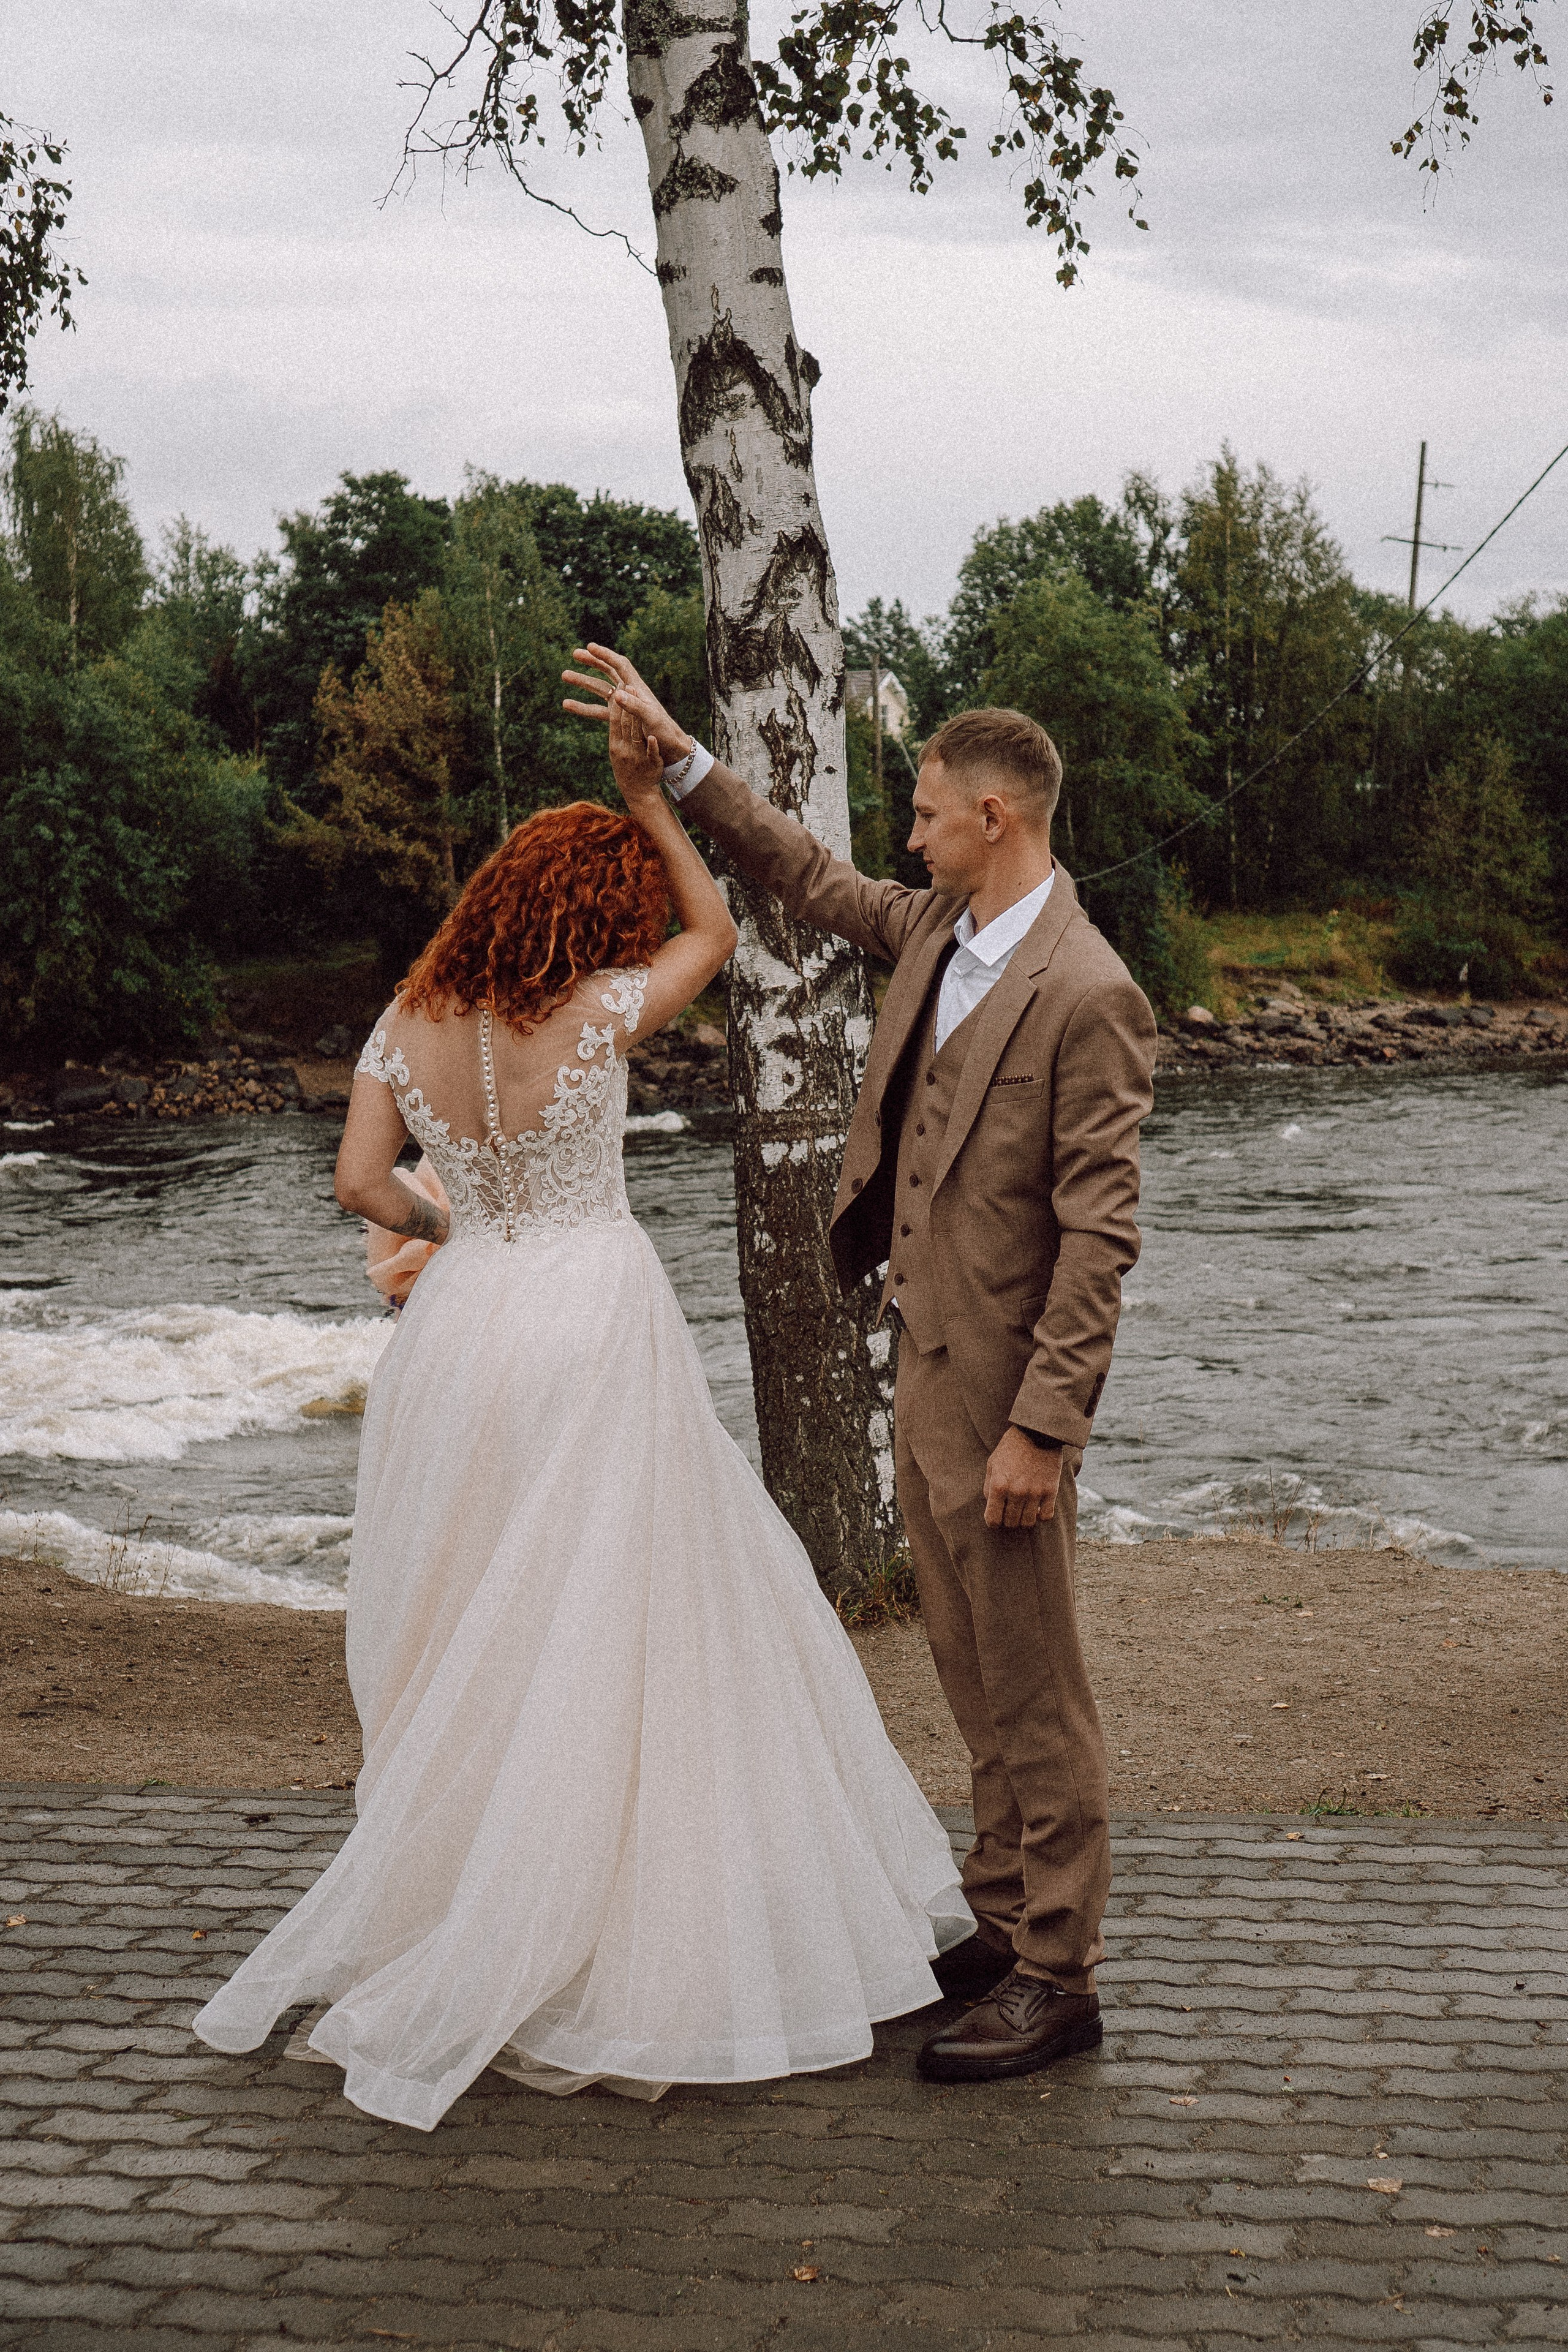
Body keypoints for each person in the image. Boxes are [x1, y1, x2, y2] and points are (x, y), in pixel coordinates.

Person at [193, 699, 970, 2130]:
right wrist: (657, 805)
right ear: (588, 911)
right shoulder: (602, 1007)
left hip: (464, 1326)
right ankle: (617, 1926)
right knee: (616, 1613)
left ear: (495, 897)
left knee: (472, 1610)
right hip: (591, 1321)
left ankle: (467, 1897)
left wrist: (459, 1222)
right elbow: (718, 937)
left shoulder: (401, 1023)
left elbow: (362, 1189)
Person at [564, 647, 1156, 2084]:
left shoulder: (1088, 992)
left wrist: (1041, 1433)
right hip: (922, 1365)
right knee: (967, 1665)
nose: (908, 832)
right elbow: (807, 877)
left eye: (928, 810)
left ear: (997, 817)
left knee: (1036, 1688)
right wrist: (685, 764)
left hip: (1005, 1397)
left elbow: (1098, 1240)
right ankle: (1005, 1921)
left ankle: (1059, 1977)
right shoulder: (943, 931)